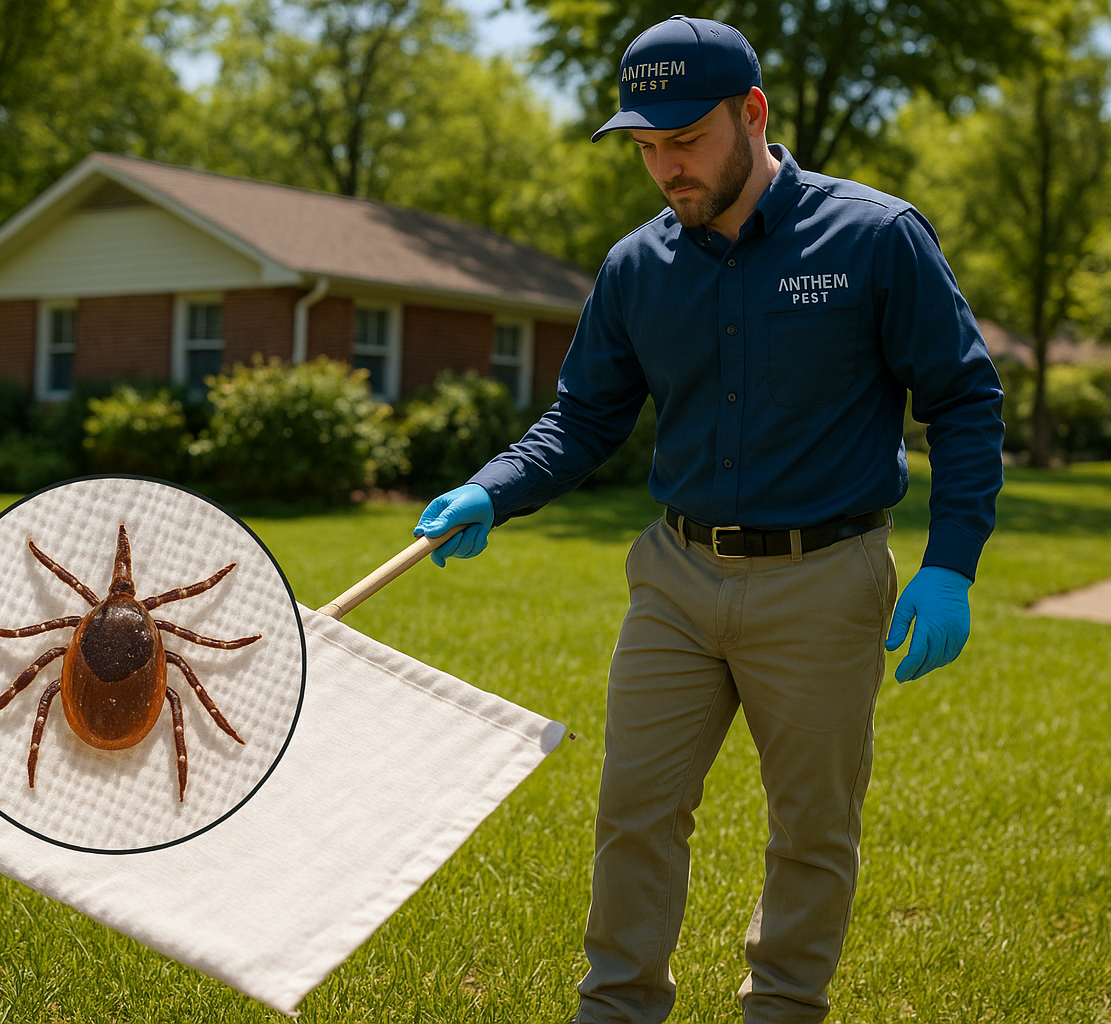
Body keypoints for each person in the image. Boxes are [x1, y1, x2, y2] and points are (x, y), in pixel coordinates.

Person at [414, 15, 1003, 1023]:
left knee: (812, 827)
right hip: (677, 579)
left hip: (826, 577)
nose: (667, 169)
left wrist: (951, 564)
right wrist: (496, 485)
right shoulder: (637, 267)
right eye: (646, 147)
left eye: (685, 140)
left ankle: (781, 1006)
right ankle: (618, 1008)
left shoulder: (874, 237)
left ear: (754, 113)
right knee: (635, 811)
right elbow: (583, 417)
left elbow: (964, 398)